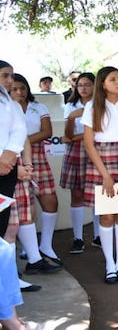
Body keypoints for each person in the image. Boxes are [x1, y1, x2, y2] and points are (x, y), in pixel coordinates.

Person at [82, 66, 118, 284]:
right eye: (113, 79)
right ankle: (110, 264)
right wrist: (105, 174)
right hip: (102, 160)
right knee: (107, 216)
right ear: (103, 83)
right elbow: (89, 144)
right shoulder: (92, 107)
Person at [9, 74, 62, 268]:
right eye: (14, 89)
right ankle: (29, 251)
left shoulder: (38, 107)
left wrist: (21, 139)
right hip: (11, 158)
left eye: (22, 88)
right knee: (25, 208)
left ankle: (46, 246)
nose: (19, 92)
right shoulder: (6, 108)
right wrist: (18, 141)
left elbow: (47, 132)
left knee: (50, 200)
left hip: (36, 157)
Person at [61, 72, 95, 254]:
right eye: (80, 85)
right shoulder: (70, 105)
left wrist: (77, 136)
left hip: (95, 150)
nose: (83, 88)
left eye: (87, 84)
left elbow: (98, 131)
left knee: (98, 194)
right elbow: (67, 135)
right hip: (75, 152)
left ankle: (97, 236)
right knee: (77, 194)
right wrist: (74, 117)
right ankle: (78, 238)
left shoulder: (100, 105)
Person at [0, 61, 26, 238]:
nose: (10, 80)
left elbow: (19, 130)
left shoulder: (12, 104)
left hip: (8, 167)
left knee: (2, 218)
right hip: (3, 162)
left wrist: (10, 154)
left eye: (12, 76)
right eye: (5, 75)